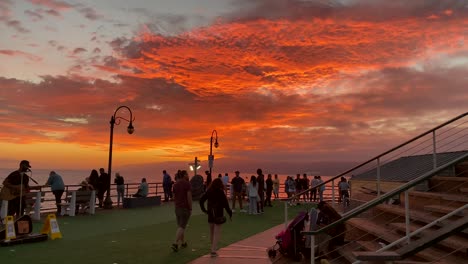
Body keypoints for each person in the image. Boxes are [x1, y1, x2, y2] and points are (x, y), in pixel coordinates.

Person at [199, 178, 232, 257]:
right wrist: (230, 213)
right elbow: (226, 204)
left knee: (212, 232)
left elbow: (201, 200)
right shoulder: (221, 192)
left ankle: (212, 248)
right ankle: (213, 251)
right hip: (218, 214)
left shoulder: (209, 191)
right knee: (216, 233)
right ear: (220, 184)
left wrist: (204, 210)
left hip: (210, 214)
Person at [172, 170, 192, 252]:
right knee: (182, 226)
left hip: (177, 208)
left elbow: (174, 197)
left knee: (181, 226)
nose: (188, 175)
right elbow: (189, 197)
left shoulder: (175, 184)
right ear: (184, 175)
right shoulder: (187, 184)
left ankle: (183, 242)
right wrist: (190, 208)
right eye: (187, 174)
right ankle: (175, 243)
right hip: (185, 208)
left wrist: (176, 205)